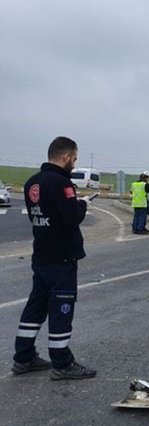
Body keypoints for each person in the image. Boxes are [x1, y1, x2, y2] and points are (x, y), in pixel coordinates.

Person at [12, 136, 97, 380]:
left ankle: (23, 357)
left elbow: (35, 217)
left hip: (41, 256)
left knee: (35, 307)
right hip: (62, 258)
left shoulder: (32, 183)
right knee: (62, 309)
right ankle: (62, 363)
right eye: (75, 158)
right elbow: (71, 219)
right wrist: (81, 204)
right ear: (66, 156)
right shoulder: (62, 184)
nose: (74, 163)